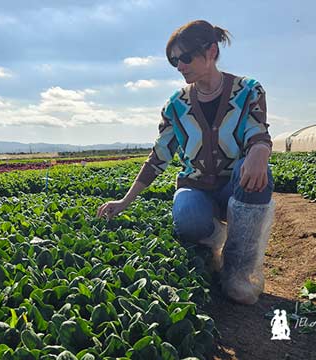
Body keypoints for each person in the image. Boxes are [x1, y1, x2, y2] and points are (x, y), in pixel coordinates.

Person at [97, 20, 275, 305]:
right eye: (174, 61)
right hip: (197, 188)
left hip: (234, 185)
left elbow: (257, 132)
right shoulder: (175, 105)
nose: (180, 66)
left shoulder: (248, 90)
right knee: (187, 217)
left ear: (211, 51)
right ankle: (217, 237)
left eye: (185, 57)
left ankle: (239, 270)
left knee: (256, 171)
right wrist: (124, 201)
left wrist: (259, 152)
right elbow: (159, 156)